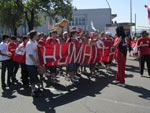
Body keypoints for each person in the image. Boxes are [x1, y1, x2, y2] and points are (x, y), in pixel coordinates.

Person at [26, 30, 41, 97]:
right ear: (33, 36)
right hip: (30, 63)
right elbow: (30, 55)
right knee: (32, 77)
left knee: (35, 75)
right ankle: (32, 90)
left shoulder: (35, 42)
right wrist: (35, 63)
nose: (38, 36)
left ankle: (36, 88)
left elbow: (38, 48)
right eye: (37, 35)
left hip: (35, 63)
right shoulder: (29, 44)